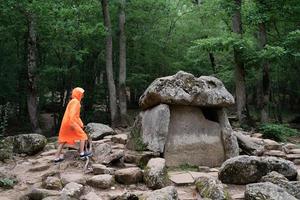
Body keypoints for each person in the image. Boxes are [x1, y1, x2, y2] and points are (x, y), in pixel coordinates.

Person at [54, 87, 91, 163]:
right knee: (83, 136)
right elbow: (73, 115)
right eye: (81, 94)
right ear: (78, 94)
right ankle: (82, 153)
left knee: (63, 140)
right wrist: (76, 124)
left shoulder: (73, 101)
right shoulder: (75, 102)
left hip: (67, 123)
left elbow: (76, 116)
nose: (83, 95)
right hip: (71, 123)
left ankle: (56, 158)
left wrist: (81, 124)